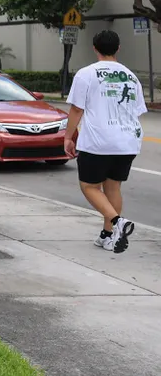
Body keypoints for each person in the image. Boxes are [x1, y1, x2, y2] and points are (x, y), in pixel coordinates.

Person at [65, 30, 146, 254]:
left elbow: (76, 109)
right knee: (113, 187)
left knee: (89, 186)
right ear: (118, 48)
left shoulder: (86, 74)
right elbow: (137, 110)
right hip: (128, 141)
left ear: (95, 48)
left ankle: (117, 222)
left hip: (98, 141)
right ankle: (108, 235)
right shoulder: (131, 76)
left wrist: (68, 136)